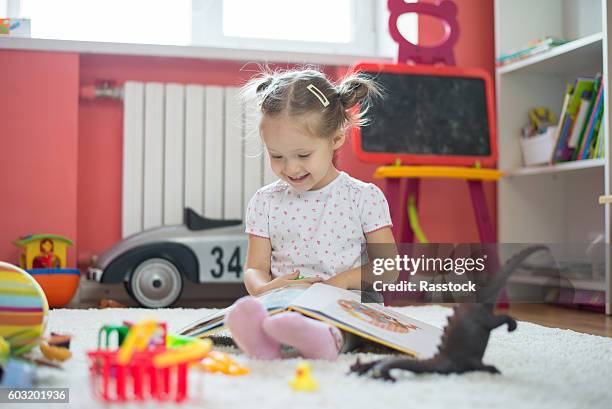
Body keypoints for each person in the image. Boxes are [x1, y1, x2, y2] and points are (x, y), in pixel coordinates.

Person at [225, 68, 396, 360]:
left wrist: (340, 282)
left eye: (303, 155)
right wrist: (265, 288)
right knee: (274, 313)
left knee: (355, 320)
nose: (290, 168)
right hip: (290, 299)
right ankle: (269, 339)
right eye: (277, 156)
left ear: (336, 139)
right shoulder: (265, 201)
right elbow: (254, 267)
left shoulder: (363, 197)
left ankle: (325, 339)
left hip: (349, 299)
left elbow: (388, 269)